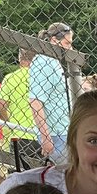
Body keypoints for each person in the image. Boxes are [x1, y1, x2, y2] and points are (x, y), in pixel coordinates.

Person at [29, 21, 74, 162]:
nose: (70, 48)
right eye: (67, 43)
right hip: (55, 134)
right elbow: (35, 102)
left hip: (62, 131)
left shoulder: (53, 61)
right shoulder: (44, 62)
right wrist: (45, 137)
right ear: (54, 41)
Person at [0, 48, 41, 168]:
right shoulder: (41, 78)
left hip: (18, 134)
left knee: (19, 173)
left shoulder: (11, 78)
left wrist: (8, 123)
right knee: (41, 173)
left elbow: (0, 107)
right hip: (41, 134)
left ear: (20, 58)